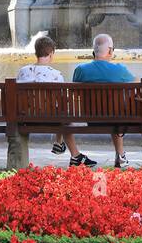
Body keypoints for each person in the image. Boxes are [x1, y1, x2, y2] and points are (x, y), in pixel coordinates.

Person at [16, 35, 96, 168]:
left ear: (36, 52)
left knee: (61, 114)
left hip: (26, 116)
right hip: (50, 117)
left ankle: (64, 148)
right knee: (63, 113)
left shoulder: (23, 71)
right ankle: (69, 151)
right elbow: (61, 99)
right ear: (51, 53)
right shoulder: (55, 74)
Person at [71, 33, 137, 169]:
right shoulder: (120, 70)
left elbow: (74, 93)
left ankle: (120, 155)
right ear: (111, 51)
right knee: (117, 110)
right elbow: (136, 84)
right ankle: (121, 155)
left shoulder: (80, 70)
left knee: (114, 110)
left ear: (93, 52)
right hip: (115, 118)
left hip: (90, 118)